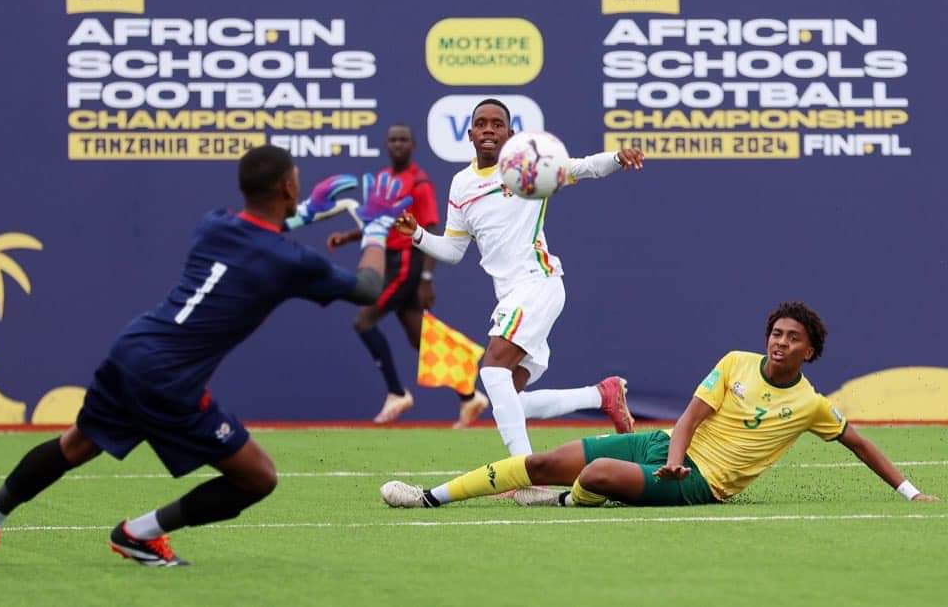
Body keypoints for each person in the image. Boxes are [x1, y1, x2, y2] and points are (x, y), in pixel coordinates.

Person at [0, 145, 412, 566]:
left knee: (77, 445)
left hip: (131, 349)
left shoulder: (214, 223)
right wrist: (373, 227)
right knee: (258, 478)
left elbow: (263, 232)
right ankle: (139, 534)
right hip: (168, 378)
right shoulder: (292, 263)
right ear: (288, 186)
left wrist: (308, 210)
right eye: (296, 181)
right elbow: (369, 288)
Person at [380, 301, 939, 508]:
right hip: (667, 451)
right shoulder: (736, 362)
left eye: (792, 337)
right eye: (776, 332)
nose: (779, 341)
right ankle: (429, 496)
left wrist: (909, 491)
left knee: (595, 474)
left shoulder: (812, 404)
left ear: (809, 350)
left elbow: (859, 442)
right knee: (543, 463)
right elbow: (691, 417)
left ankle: (569, 503)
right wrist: (670, 455)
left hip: (702, 482)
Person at [393, 99, 646, 456]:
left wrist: (617, 159)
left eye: (497, 124)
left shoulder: (528, 167)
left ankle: (524, 474)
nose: (489, 131)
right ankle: (601, 395)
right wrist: (418, 234)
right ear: (469, 134)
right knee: (508, 401)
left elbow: (584, 168)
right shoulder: (461, 184)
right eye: (481, 124)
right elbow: (453, 250)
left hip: (537, 283)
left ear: (510, 134)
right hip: (512, 294)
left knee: (492, 370)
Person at [327, 124, 489, 427]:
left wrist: (427, 279)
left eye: (403, 139)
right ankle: (469, 395)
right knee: (420, 338)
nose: (397, 144)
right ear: (387, 145)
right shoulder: (384, 179)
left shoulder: (419, 182)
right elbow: (378, 222)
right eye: (393, 140)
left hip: (406, 262)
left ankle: (396, 392)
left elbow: (431, 229)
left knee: (363, 322)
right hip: (388, 259)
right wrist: (347, 237)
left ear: (413, 145)